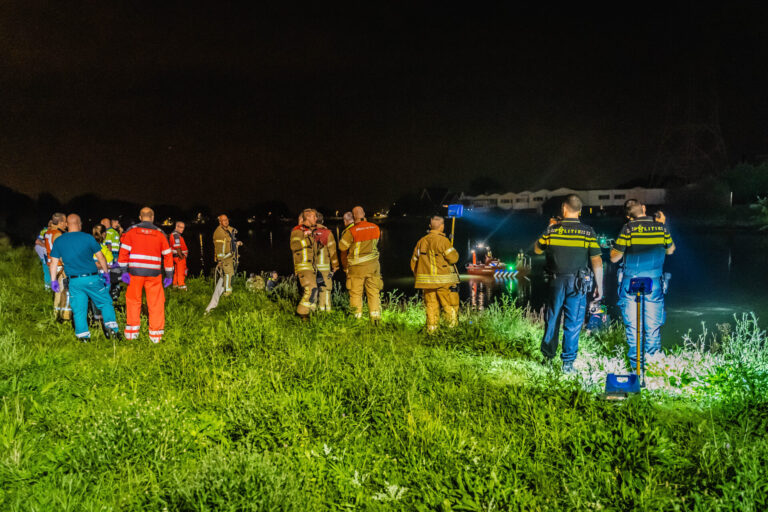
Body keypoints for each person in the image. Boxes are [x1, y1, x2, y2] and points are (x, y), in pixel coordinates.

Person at [534, 194, 603, 373]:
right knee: (573, 323)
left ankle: (548, 359)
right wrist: (599, 286)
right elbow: (596, 260)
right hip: (578, 283)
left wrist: (549, 227)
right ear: (579, 211)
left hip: (556, 281)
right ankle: (568, 364)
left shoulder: (552, 230)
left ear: (564, 209)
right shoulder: (588, 231)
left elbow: (537, 249)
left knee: (552, 319)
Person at [610, 199, 675, 370]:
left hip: (631, 281)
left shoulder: (628, 229)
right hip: (654, 282)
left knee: (633, 326)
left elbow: (614, 257)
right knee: (653, 326)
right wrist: (663, 225)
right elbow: (670, 250)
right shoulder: (661, 228)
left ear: (628, 216)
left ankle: (636, 368)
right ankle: (653, 367)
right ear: (644, 209)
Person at [48, 214, 119, 341]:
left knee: (79, 309)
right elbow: (101, 257)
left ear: (67, 225)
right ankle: (112, 330)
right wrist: (107, 274)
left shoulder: (59, 240)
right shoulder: (88, 238)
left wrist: (53, 280)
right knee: (105, 302)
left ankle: (83, 337)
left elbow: (53, 263)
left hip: (74, 281)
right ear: (80, 224)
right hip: (92, 278)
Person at [118, 207, 174, 343]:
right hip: (154, 274)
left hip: (135, 273)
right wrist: (169, 275)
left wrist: (124, 272)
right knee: (156, 303)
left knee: (133, 301)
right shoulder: (160, 233)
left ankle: (132, 333)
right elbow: (168, 256)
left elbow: (123, 254)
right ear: (153, 217)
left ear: (140, 217)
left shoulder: (131, 232)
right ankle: (156, 336)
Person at [411, 216, 460, 333]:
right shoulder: (443, 241)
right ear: (442, 227)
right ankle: (451, 330)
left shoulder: (421, 241)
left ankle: (432, 331)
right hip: (443, 281)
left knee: (431, 306)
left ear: (430, 226)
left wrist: (419, 276)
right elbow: (453, 259)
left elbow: (414, 261)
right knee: (448, 305)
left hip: (427, 282)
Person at [338, 206, 383, 323]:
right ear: (364, 214)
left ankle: (356, 320)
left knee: (356, 293)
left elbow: (342, 247)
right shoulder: (375, 228)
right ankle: (375, 319)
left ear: (353, 217)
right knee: (374, 292)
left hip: (357, 268)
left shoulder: (351, 231)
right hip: (373, 266)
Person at [290, 208, 319, 318]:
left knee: (313, 290)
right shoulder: (297, 230)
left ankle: (309, 313)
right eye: (313, 216)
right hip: (303, 265)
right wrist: (307, 239)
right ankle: (301, 314)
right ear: (307, 217)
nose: (316, 218)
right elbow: (294, 245)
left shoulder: (310, 230)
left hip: (310, 266)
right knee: (311, 290)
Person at [45, 213, 72, 322]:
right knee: (64, 291)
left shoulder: (48, 233)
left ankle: (55, 315)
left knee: (57, 292)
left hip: (51, 265)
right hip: (59, 266)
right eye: (65, 222)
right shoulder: (58, 234)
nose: (66, 224)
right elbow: (59, 252)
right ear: (60, 222)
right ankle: (64, 316)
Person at [314, 212, 339, 312]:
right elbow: (333, 252)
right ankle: (327, 312)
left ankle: (316, 311)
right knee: (326, 289)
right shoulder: (328, 233)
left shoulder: (309, 233)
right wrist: (335, 266)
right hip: (324, 268)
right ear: (323, 221)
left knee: (313, 290)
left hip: (312, 268)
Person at [213, 214, 241, 296]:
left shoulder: (226, 230)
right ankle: (227, 292)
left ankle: (224, 288)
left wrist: (236, 244)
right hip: (224, 258)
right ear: (220, 222)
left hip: (229, 256)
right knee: (228, 274)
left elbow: (229, 242)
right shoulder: (219, 233)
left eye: (227, 220)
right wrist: (220, 261)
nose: (226, 221)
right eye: (223, 220)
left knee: (229, 273)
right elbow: (218, 249)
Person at [169, 221, 189, 289]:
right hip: (179, 257)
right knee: (181, 271)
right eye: (180, 227)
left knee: (177, 272)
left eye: (183, 228)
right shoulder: (176, 235)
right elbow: (177, 247)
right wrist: (181, 256)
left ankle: (175, 285)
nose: (182, 229)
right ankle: (181, 286)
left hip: (175, 257)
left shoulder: (174, 234)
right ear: (176, 226)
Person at [35, 222, 53, 290]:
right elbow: (37, 241)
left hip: (51, 253)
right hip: (45, 253)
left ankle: (52, 288)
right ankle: (48, 289)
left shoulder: (58, 231)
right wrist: (46, 246)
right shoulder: (45, 231)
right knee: (47, 269)